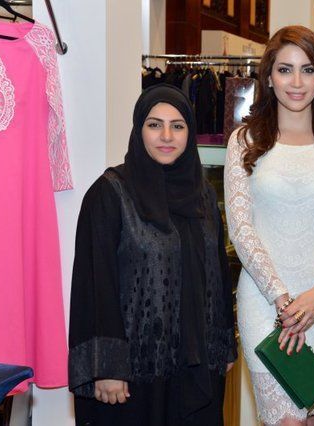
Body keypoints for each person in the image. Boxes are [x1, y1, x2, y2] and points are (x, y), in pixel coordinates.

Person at [68, 84, 236, 426]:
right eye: (154, 124)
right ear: (139, 129)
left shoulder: (203, 195)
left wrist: (224, 346)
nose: (166, 136)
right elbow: (95, 284)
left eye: (178, 126)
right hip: (134, 373)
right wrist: (106, 367)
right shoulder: (110, 193)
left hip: (197, 367)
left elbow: (218, 274)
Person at [224, 26, 314, 426]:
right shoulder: (245, 141)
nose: (297, 82)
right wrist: (282, 299)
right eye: (285, 69)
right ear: (269, 77)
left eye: (307, 69)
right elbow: (241, 229)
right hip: (265, 303)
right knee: (287, 421)